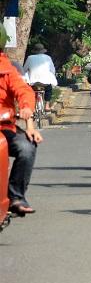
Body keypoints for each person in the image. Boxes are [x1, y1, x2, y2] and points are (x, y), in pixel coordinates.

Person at [0, 27, 43, 215]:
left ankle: (16, 196)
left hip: (4, 128)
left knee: (27, 147)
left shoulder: (6, 68)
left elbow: (24, 90)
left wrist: (28, 116)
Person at [22, 44, 58, 112]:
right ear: (43, 51)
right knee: (49, 89)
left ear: (34, 51)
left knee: (30, 92)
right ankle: (47, 106)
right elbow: (53, 70)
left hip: (33, 82)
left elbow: (24, 70)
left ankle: (32, 106)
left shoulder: (30, 58)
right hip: (45, 83)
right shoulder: (48, 58)